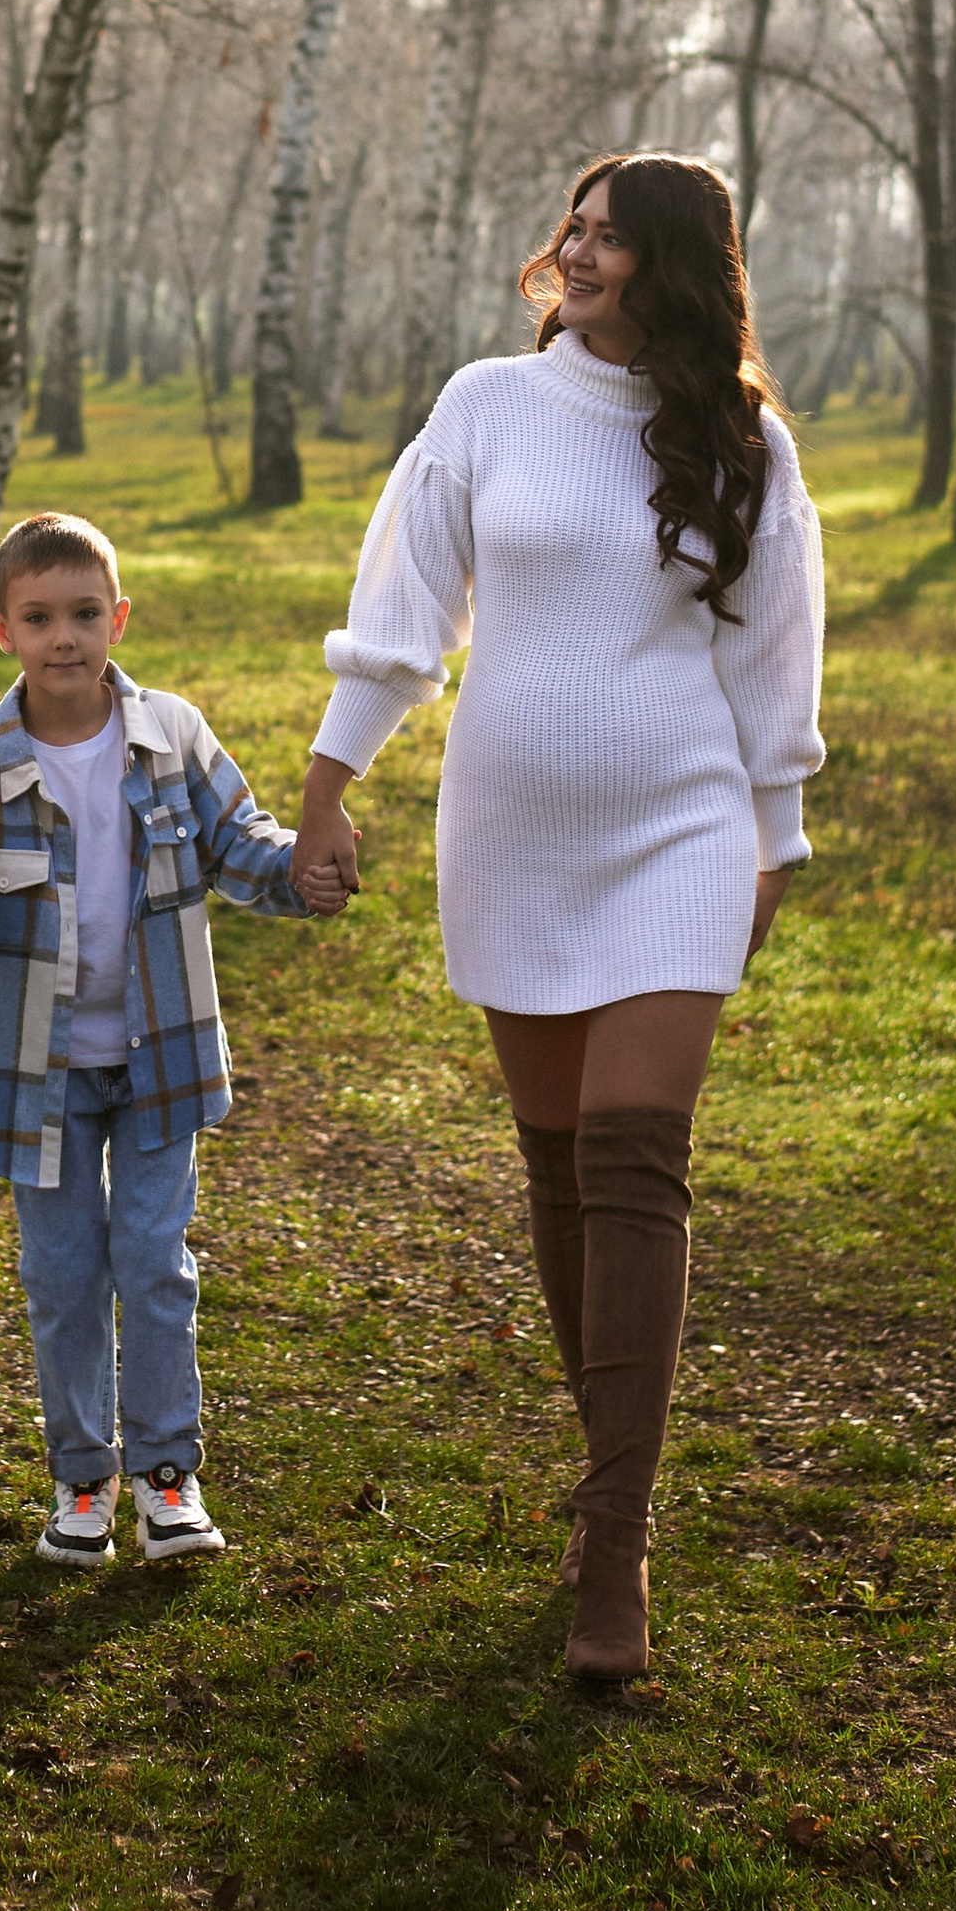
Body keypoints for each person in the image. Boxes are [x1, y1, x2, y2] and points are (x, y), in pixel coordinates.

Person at [290, 153, 824, 1683]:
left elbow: (771, 667)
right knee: (557, 1170)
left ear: (674, 263)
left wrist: (772, 843)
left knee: (635, 1156)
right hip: (513, 835)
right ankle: (614, 1475)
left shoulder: (744, 446)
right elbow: (403, 619)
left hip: (682, 832)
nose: (574, 254)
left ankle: (615, 1542)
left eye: (606, 237)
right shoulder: (487, 408)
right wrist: (329, 787)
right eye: (570, 230)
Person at [0, 509, 343, 1567]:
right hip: (31, 1073)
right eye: (39, 617)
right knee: (61, 1276)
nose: (64, 638)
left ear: (118, 617)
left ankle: (167, 1476)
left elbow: (242, 843)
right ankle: (82, 1478)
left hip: (156, 1061)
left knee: (151, 1260)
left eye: (85, 614)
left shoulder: (172, 736)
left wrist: (303, 869)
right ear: (0, 627)